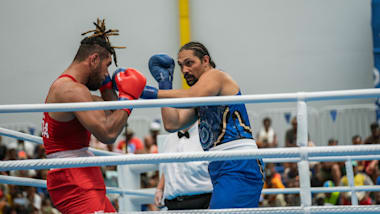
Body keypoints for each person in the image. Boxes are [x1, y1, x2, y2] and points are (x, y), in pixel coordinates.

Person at [41, 18, 146, 214]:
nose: (107, 72)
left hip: (80, 175)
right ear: (93, 59)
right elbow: (108, 132)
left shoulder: (78, 92)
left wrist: (107, 88)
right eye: (106, 66)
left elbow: (113, 115)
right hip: (73, 180)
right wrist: (128, 97)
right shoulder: (70, 90)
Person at [142, 41, 264, 209]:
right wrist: (164, 83)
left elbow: (192, 96)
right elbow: (172, 123)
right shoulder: (201, 97)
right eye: (181, 66)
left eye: (189, 63)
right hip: (218, 163)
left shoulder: (216, 76)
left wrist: (148, 92)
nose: (184, 70)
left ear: (205, 61)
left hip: (238, 161)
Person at [154, 122, 212, 210]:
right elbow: (168, 166)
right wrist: (160, 188)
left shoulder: (207, 135)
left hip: (202, 203)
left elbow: (218, 169)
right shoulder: (169, 139)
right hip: (172, 206)